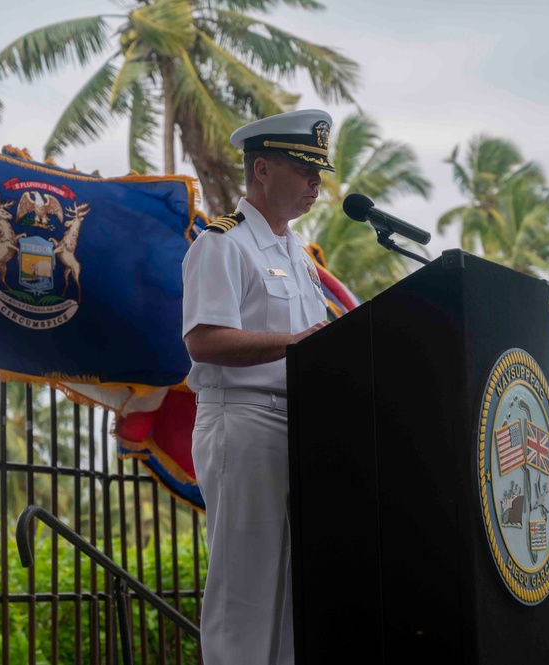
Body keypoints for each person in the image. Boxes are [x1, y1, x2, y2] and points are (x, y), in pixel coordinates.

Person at [181, 109, 333, 665]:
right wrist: (296, 343)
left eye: (320, 171)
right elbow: (204, 340)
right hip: (241, 419)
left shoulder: (301, 259)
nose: (317, 183)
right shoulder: (222, 244)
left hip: (300, 425)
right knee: (245, 585)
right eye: (304, 169)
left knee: (295, 590)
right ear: (263, 168)